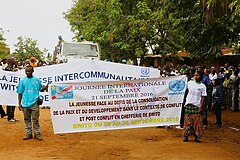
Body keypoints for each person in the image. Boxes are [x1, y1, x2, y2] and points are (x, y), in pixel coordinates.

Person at [17, 65, 49, 140]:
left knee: (35, 119)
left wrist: (46, 86)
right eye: (26, 71)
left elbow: (41, 89)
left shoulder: (37, 80)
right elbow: (20, 92)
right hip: (25, 103)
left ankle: (37, 133)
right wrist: (19, 103)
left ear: (32, 71)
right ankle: (28, 133)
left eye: (29, 71)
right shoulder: (22, 81)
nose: (27, 72)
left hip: (34, 102)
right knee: (27, 119)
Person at [182, 70, 207, 143]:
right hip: (188, 105)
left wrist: (200, 106)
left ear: (200, 76)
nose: (195, 77)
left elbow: (203, 97)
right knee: (187, 121)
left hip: (196, 105)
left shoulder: (203, 86)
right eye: (195, 75)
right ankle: (185, 135)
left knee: (197, 122)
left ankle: (197, 136)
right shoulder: (189, 83)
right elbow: (181, 87)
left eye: (197, 75)